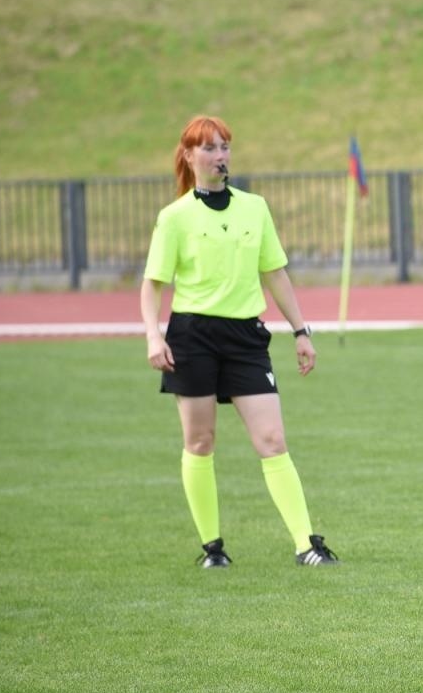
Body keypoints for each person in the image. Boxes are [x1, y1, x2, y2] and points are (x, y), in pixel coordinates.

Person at [140, 116, 340, 568]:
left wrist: (301, 331)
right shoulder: (174, 218)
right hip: (192, 335)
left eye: (225, 146)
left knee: (272, 438)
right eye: (209, 148)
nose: (220, 156)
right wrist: (154, 335)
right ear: (189, 156)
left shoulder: (255, 208)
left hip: (246, 336)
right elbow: (152, 285)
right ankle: (212, 548)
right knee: (200, 440)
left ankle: (306, 544)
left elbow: (274, 272)